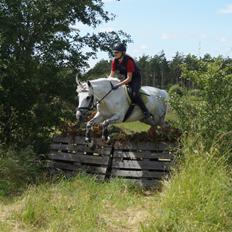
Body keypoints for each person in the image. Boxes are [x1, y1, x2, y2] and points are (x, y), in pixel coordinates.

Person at [109, 43, 154, 122]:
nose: (114, 54)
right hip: (123, 78)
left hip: (134, 79)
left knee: (134, 94)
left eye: (117, 52)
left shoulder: (129, 61)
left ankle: (145, 112)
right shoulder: (114, 61)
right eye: (114, 52)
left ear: (122, 53)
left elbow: (129, 79)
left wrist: (118, 85)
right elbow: (111, 75)